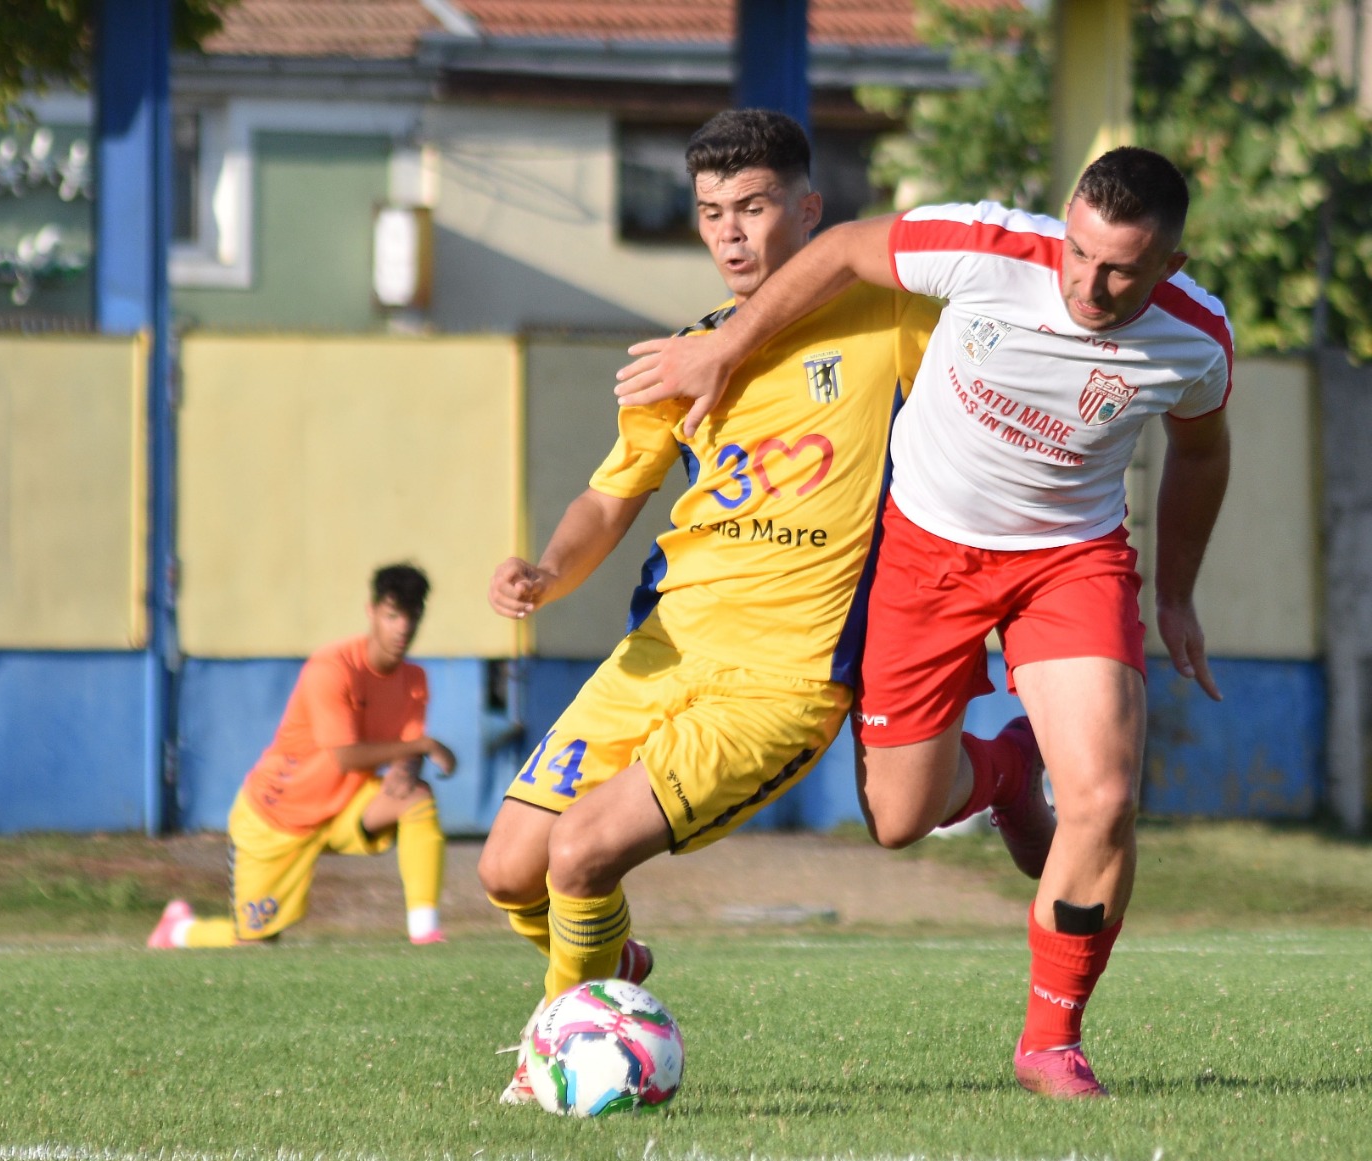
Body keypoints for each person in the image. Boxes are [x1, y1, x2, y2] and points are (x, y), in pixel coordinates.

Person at [615, 146, 1232, 1098]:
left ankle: (1051, 1042)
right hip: (926, 549)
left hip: (1070, 559)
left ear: (1170, 266)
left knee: (1105, 800)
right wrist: (723, 347)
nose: (1088, 285)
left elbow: (1200, 452)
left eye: (1121, 270)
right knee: (900, 821)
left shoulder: (1196, 339)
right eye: (1078, 253)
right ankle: (1006, 771)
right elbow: (839, 252)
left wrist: (1178, 594)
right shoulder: (986, 248)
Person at [478, 108, 941, 1103]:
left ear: (809, 210)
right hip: (664, 650)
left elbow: (961, 286)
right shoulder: (682, 358)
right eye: (710, 211)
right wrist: (547, 569)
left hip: (780, 680)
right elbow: (611, 498)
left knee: (581, 849)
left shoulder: (888, 319)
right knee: (509, 870)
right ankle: (611, 962)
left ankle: (551, 1057)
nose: (730, 232)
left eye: (754, 206)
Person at [148, 563, 456, 949]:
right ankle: (179, 931)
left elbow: (407, 747)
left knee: (416, 797)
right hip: (276, 818)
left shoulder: (414, 680)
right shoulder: (333, 668)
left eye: (412, 616)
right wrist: (422, 747)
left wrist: (407, 768)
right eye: (393, 615)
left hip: (343, 809)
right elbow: (346, 756)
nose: (403, 628)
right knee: (255, 945)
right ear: (371, 611)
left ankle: (424, 931)